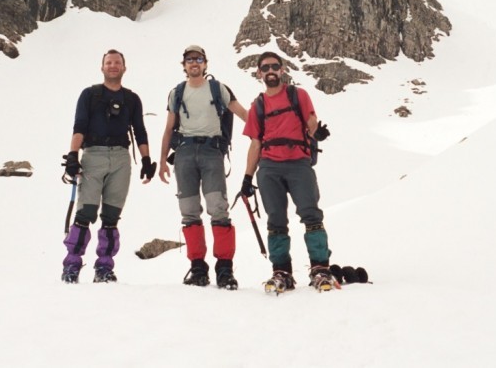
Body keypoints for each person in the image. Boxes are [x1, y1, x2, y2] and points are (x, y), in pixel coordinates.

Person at [240, 51, 335, 292]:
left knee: (311, 215)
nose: (270, 71)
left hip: (298, 164)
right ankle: (281, 272)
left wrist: (316, 133)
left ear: (282, 70)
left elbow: (311, 121)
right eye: (265, 68)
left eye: (275, 66)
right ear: (259, 73)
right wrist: (248, 178)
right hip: (269, 167)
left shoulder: (298, 95)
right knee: (276, 221)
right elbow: (255, 144)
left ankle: (320, 268)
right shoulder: (258, 106)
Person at [61, 49, 155, 284]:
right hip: (93, 155)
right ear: (102, 67)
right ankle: (71, 265)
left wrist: (146, 160)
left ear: (124, 68)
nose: (113, 66)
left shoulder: (132, 99)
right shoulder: (89, 95)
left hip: (121, 158)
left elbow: (139, 130)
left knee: (112, 215)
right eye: (109, 62)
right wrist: (73, 155)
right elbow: (79, 125)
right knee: (86, 212)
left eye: (117, 62)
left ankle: (104, 267)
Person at [158, 45, 248, 289]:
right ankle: (198, 268)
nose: (194, 63)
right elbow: (168, 128)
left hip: (211, 151)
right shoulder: (176, 93)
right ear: (184, 65)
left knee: (218, 207)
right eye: (189, 60)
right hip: (184, 152)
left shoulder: (218, 89)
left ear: (205, 64)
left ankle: (225, 269)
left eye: (198, 59)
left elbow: (242, 114)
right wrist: (162, 162)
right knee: (188, 210)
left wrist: (265, 134)